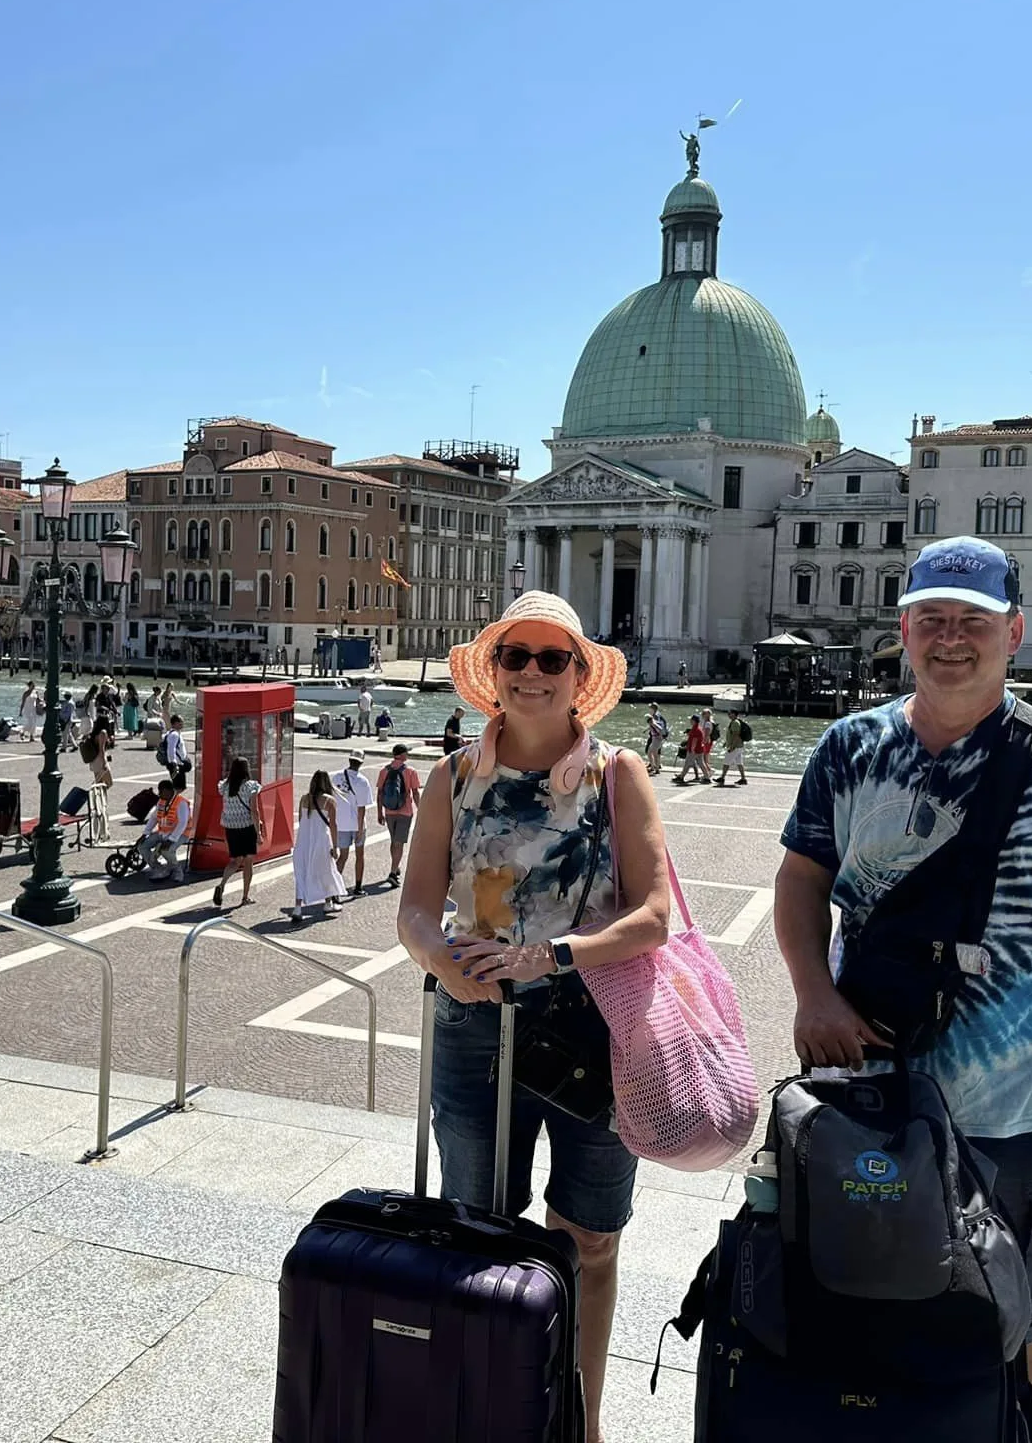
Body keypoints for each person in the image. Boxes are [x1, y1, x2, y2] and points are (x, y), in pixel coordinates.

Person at [773, 536, 1032, 1443]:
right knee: (863, 1294)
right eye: (933, 619)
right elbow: (800, 880)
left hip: (1017, 1115)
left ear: (1013, 633)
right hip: (865, 1093)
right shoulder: (848, 746)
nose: (952, 638)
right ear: (904, 630)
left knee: (1023, 1317)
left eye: (973, 621)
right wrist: (812, 995)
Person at [395, 589, 663, 1440]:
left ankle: (580, 1421)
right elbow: (414, 911)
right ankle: (493, 1411)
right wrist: (441, 960)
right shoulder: (452, 776)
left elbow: (654, 915)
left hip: (594, 1028)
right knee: (479, 1235)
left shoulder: (620, 774)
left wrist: (549, 957)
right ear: (495, 670)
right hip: (477, 1030)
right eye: (517, 656)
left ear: (581, 675)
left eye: (554, 659)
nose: (533, 673)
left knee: (591, 1239)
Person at [288, 770, 347, 921]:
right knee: (326, 871)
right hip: (321, 841)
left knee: (301, 873)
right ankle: (328, 902)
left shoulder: (304, 799)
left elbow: (302, 821)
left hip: (303, 842)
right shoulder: (329, 800)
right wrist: (335, 846)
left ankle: (297, 908)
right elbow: (333, 825)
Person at [213, 754, 262, 908]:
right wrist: (258, 833)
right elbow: (254, 811)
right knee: (248, 862)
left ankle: (222, 884)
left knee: (235, 860)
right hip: (247, 826)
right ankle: (245, 896)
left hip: (230, 827)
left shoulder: (225, 786)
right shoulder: (250, 786)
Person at [374, 742, 421, 887]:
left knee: (394, 840)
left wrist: (379, 812)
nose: (408, 754)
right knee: (399, 842)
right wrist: (420, 809)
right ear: (402, 755)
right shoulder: (410, 771)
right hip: (405, 811)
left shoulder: (384, 771)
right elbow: (415, 792)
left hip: (389, 811)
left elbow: (380, 793)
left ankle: (395, 865)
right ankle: (393, 873)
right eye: (406, 752)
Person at [330, 749, 373, 896]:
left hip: (341, 823)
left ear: (349, 760)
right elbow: (362, 808)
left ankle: (333, 890)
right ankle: (358, 887)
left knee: (343, 856)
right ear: (361, 763)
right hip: (356, 824)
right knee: (359, 855)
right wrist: (360, 829)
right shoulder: (363, 781)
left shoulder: (336, 777)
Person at [138, 778, 192, 882]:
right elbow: (154, 818)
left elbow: (182, 823)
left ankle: (177, 871)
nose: (159, 794)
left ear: (169, 791)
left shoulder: (181, 803)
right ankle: (158, 868)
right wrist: (145, 834)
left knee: (166, 850)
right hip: (163, 832)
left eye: (161, 791)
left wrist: (171, 840)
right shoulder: (161, 801)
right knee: (142, 846)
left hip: (181, 834)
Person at [716, 712, 751, 785]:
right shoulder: (735, 722)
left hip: (735, 746)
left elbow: (736, 735)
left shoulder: (735, 723)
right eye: (728, 714)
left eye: (731, 714)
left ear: (735, 714)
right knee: (739, 763)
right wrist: (726, 742)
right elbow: (732, 735)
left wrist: (732, 746)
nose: (729, 715)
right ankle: (743, 779)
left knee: (726, 762)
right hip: (739, 746)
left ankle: (722, 778)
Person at [161, 714, 190, 789]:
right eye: (180, 722)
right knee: (179, 787)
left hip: (178, 764)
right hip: (177, 765)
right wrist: (174, 764)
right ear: (174, 723)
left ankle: (174, 796)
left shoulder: (173, 733)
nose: (182, 723)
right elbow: (171, 749)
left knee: (179, 787)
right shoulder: (174, 735)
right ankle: (173, 796)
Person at [642, 703, 668, 775]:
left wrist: (661, 736)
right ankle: (653, 767)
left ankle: (656, 769)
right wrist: (646, 730)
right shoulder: (652, 721)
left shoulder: (654, 720)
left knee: (654, 754)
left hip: (656, 739)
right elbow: (652, 726)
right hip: (655, 739)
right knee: (650, 752)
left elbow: (660, 728)